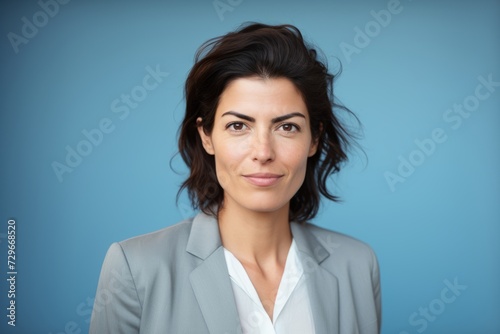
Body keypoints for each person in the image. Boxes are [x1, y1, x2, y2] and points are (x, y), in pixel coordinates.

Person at [90, 22, 381, 334]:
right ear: (206, 135)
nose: (263, 152)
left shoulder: (357, 265)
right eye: (238, 126)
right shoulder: (136, 268)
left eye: (287, 127)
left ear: (314, 139)